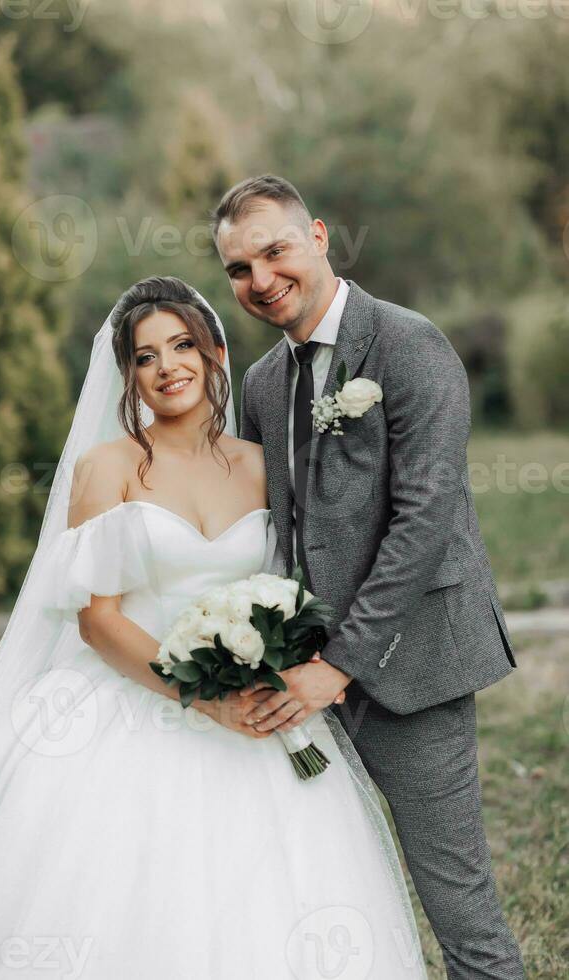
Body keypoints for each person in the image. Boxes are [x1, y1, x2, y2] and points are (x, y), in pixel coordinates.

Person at [0, 276, 427, 979]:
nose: (167, 368)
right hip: (131, 699)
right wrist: (206, 699)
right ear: (127, 374)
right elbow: (98, 621)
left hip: (255, 701)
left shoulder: (260, 465)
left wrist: (281, 663)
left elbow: (294, 577)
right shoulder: (109, 469)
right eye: (146, 356)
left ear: (216, 352)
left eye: (182, 345)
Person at [212, 174, 526, 980]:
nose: (260, 281)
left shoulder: (408, 343)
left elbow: (425, 522)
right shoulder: (262, 384)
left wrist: (339, 666)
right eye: (238, 270)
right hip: (299, 681)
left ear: (318, 236)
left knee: (458, 903)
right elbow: (269, 532)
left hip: (410, 667)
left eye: (273, 251)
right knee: (311, 893)